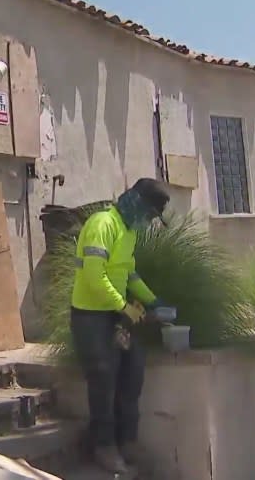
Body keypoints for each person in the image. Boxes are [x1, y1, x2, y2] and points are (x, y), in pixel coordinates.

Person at [71, 178, 171, 476]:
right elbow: (94, 275)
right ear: (136, 204)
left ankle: (128, 442)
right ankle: (104, 447)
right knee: (103, 379)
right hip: (91, 316)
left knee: (131, 375)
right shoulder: (103, 224)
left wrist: (153, 301)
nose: (149, 222)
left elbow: (128, 273)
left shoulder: (128, 233)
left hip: (115, 315)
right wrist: (123, 307)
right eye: (150, 215)